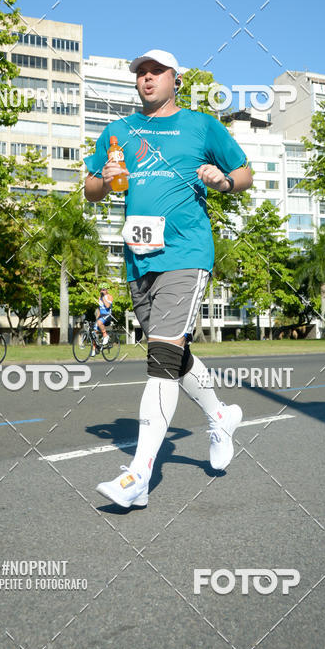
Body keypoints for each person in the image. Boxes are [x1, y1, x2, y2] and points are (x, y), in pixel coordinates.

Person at [84, 49, 253, 508]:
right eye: (141, 72)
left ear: (175, 79)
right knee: (174, 356)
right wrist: (106, 179)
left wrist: (223, 182)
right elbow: (91, 189)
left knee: (160, 359)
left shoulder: (201, 126)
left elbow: (244, 173)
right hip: (139, 259)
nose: (147, 78)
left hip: (186, 253)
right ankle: (220, 416)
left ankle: (138, 476)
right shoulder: (118, 131)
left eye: (156, 71)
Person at [94, 287, 113, 351]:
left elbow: (107, 306)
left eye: (103, 290)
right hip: (101, 316)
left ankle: (105, 335)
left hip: (107, 315)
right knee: (94, 331)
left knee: (99, 322)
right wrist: (97, 318)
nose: (102, 291)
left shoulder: (109, 296)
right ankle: (94, 349)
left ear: (107, 290)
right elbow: (100, 308)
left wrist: (103, 298)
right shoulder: (99, 298)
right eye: (101, 290)